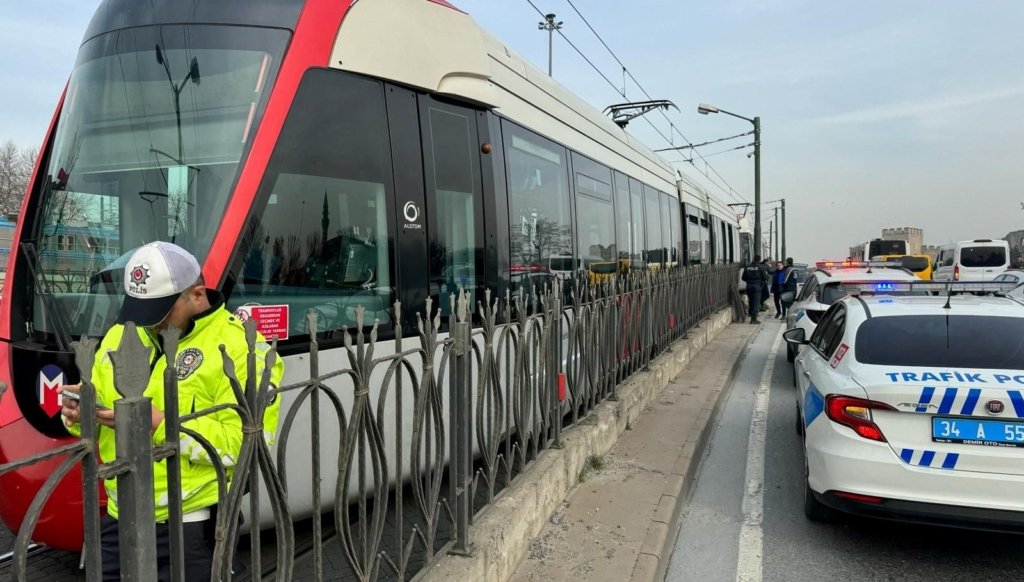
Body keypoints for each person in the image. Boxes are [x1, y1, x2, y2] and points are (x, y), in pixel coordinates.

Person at [60, 241, 284, 582]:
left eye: (160, 313)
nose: (148, 325)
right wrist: (78, 414)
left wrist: (161, 425)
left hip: (192, 525)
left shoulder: (243, 350)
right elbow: (99, 417)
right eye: (140, 310)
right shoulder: (122, 333)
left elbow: (250, 445)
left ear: (196, 295)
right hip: (120, 516)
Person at [741, 255, 768, 324]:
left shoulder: (748, 267)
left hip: (749, 286)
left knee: (751, 301)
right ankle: (753, 319)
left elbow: (743, 278)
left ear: (753, 259)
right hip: (757, 287)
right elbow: (765, 277)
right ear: (759, 260)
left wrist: (749, 280)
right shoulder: (760, 267)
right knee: (756, 302)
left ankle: (750, 313)